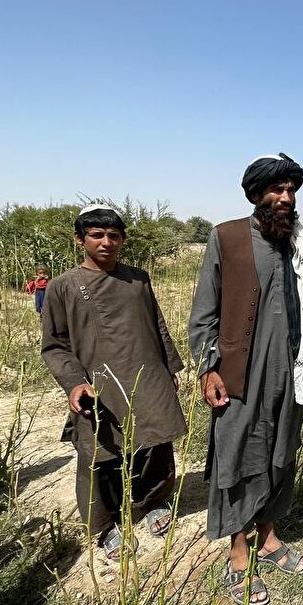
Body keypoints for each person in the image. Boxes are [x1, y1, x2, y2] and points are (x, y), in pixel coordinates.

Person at [188, 153, 303, 605]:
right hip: (241, 373)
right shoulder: (227, 238)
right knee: (238, 454)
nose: (286, 197)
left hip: (292, 369)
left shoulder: (298, 242)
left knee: (281, 454)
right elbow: (204, 314)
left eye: (291, 189)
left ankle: (269, 538)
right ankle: (238, 552)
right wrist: (207, 367)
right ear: (256, 194)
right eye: (276, 189)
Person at [40, 205, 187, 562]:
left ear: (122, 239)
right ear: (80, 239)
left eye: (113, 235)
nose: (106, 242)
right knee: (99, 452)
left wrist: (170, 367)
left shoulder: (138, 278)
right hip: (97, 381)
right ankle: (105, 526)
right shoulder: (62, 287)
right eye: (96, 235)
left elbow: (158, 324)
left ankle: (154, 500)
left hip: (147, 372)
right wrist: (75, 383)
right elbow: (54, 344)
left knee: (155, 440)